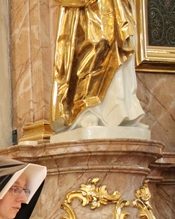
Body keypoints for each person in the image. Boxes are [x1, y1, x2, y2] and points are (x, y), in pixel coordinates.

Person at [51, 0, 145, 133]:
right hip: (88, 8)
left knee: (119, 47)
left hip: (117, 5)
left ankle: (123, 110)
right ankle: (88, 110)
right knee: (95, 47)